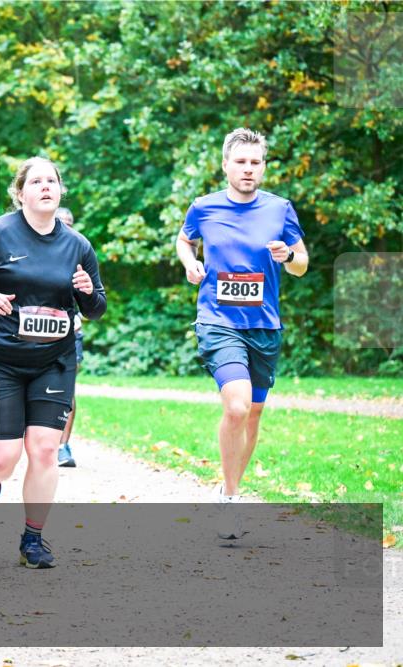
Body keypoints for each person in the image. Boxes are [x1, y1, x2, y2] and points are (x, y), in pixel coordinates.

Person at [0, 157, 106, 569]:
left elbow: (96, 308)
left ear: (60, 190)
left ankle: (32, 539)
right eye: (36, 181)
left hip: (54, 362)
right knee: (2, 459)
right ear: (20, 193)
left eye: (52, 180)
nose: (45, 187)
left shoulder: (78, 245)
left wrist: (87, 292)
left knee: (45, 449)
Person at [175, 128, 308, 539]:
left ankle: (228, 487)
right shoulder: (204, 207)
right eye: (241, 162)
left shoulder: (280, 209)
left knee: (253, 413)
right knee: (236, 406)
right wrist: (190, 263)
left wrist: (288, 255)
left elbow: (302, 263)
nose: (248, 169)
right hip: (218, 321)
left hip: (264, 326)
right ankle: (231, 499)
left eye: (255, 162)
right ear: (225, 165)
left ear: (263, 167)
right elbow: (184, 240)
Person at [54, 207, 84, 469]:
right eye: (60, 222)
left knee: (67, 389)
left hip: (70, 332)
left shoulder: (80, 251)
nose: (66, 226)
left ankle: (63, 446)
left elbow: (92, 294)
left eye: (69, 222)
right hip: (34, 332)